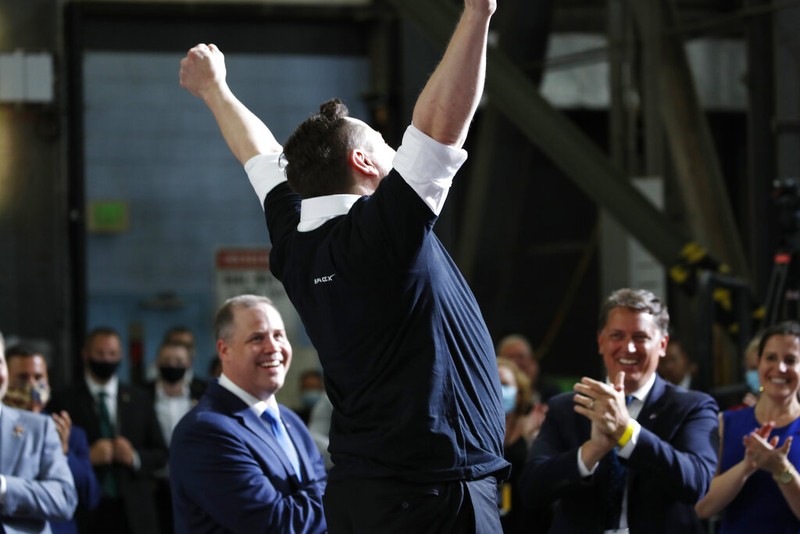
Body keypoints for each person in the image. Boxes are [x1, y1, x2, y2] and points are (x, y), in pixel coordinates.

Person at [178, 0, 509, 530]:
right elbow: (439, 131)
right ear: (364, 164)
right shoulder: (381, 233)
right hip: (435, 498)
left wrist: (216, 92)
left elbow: (258, 156)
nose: (394, 147)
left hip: (368, 495)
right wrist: (478, 13)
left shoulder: (297, 238)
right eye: (382, 143)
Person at [520, 288, 719, 533]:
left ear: (663, 345)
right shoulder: (567, 408)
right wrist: (591, 451)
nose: (629, 348)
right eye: (617, 336)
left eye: (640, 337)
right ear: (601, 341)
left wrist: (627, 432)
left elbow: (696, 483)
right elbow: (531, 490)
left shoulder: (693, 407)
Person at [170, 295, 327, 533]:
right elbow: (275, 524)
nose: (273, 347)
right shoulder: (205, 432)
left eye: (278, 335)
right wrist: (340, 489)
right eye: (257, 338)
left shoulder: (290, 420)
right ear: (225, 350)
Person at [48, 327, 168, 534]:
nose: (106, 359)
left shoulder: (140, 398)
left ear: (120, 356)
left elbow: (161, 453)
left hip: (134, 511)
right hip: (86, 510)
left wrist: (134, 457)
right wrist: (87, 458)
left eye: (112, 354)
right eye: (100, 353)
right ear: (86, 355)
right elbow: (51, 454)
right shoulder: (64, 399)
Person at [695, 320, 800, 532]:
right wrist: (747, 466)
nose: (779, 368)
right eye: (771, 357)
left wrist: (780, 468)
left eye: (790, 360)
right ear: (758, 362)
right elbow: (703, 508)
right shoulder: (726, 422)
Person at [4, 344, 101, 534]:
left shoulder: (69, 432)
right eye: (23, 377)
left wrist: (64, 453)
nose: (32, 385)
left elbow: (90, 496)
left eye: (38, 377)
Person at [0, 332, 78, 533]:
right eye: (23, 377)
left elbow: (64, 498)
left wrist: (4, 487)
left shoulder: (41, 427)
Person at [145, 340, 207, 534]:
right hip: (155, 487)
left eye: (179, 361)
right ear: (157, 363)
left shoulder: (204, 395)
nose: (172, 365)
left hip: (196, 487)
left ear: (189, 364)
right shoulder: (141, 396)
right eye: (167, 360)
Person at [496, 357, 549, 533]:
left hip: (525, 522)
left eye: (505, 384)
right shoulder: (471, 431)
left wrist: (531, 440)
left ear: (519, 394)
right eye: (494, 383)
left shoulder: (531, 427)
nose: (499, 390)